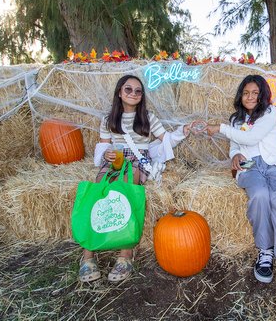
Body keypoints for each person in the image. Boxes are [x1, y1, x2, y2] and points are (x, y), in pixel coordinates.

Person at [80, 74, 194, 283]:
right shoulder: (107, 119)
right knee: (99, 189)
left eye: (138, 91)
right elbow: (104, 145)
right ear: (119, 93)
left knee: (128, 186)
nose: (133, 93)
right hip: (116, 158)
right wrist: (106, 154)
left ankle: (125, 253)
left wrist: (182, 132)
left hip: (137, 161)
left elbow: (166, 139)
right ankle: (88, 253)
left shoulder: (148, 118)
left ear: (142, 96)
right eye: (128, 89)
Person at [205, 74, 276, 313]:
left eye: (255, 93)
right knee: (259, 195)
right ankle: (266, 251)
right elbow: (237, 146)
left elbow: (252, 137)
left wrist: (219, 128)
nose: (250, 97)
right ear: (241, 95)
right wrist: (234, 156)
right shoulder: (235, 119)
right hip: (250, 165)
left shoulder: (271, 112)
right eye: (246, 93)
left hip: (275, 164)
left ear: (263, 96)